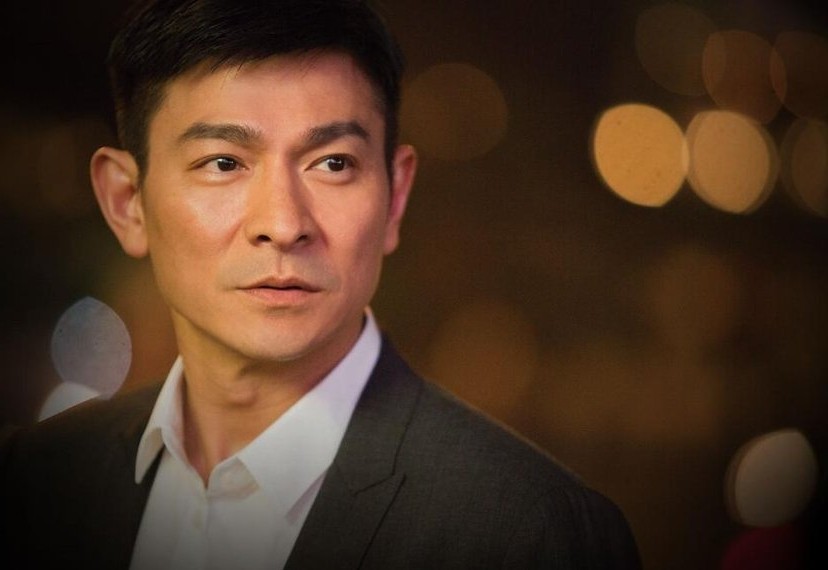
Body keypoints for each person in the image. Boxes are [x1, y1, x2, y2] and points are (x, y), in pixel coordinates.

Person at [0, 1, 641, 568]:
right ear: (127, 202)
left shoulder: (529, 532)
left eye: (333, 163)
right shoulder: (37, 482)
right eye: (223, 163)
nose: (283, 225)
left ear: (395, 198)